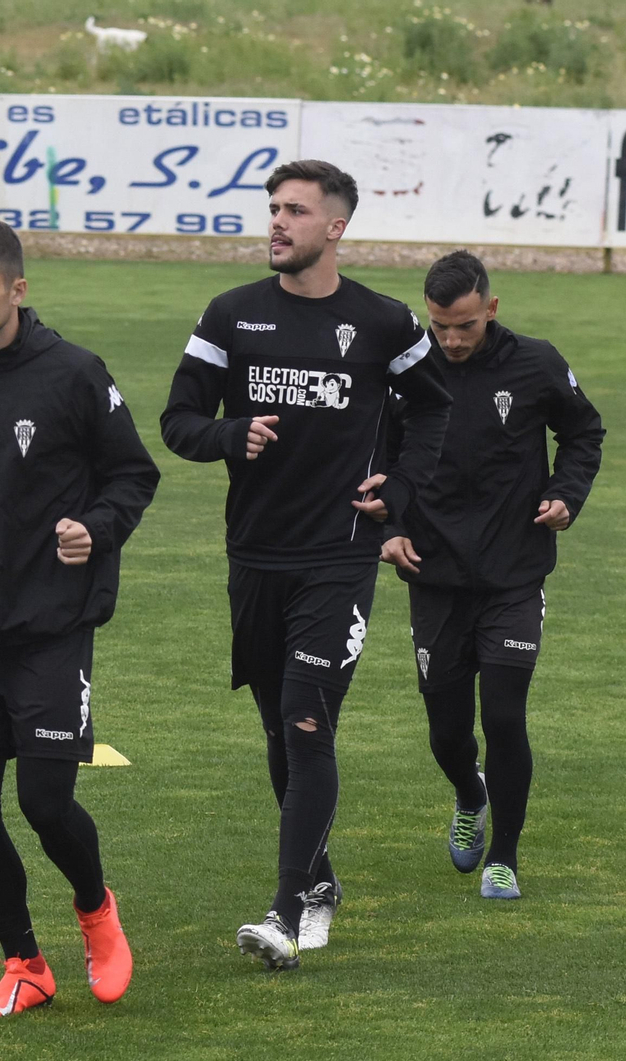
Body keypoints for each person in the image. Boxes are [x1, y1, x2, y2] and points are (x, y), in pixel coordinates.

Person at [159, 160, 452, 970]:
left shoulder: (385, 322)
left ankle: (286, 912)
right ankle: (318, 883)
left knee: (307, 723)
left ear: (336, 227)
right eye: (273, 208)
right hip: (254, 556)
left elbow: (434, 410)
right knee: (277, 736)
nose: (278, 223)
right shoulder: (231, 315)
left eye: (295, 211)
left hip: (339, 557)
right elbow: (178, 419)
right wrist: (228, 434)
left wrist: (399, 487)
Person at [0, 219, 159, 1015]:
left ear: (17, 289)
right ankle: (24, 963)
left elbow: (131, 474)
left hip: (52, 623)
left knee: (44, 802)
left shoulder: (75, 374)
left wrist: (97, 527)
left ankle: (96, 911)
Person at [381, 250, 604, 899]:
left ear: (492, 308)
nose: (451, 340)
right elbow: (381, 456)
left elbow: (584, 431)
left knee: (504, 717)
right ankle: (469, 794)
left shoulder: (535, 363)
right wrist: (390, 529)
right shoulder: (407, 371)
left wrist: (567, 494)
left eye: (466, 326)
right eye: (440, 326)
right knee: (447, 731)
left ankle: (503, 855)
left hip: (513, 574)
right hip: (435, 574)